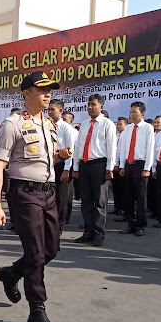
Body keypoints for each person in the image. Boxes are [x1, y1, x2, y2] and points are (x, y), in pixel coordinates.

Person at [0, 71, 72, 322]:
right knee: (36, 253)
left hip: (49, 192)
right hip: (25, 194)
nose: (48, 93)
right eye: (42, 89)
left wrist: (59, 156)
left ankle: (12, 273)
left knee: (51, 250)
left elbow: (46, 162)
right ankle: (37, 309)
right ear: (26, 93)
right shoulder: (12, 124)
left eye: (50, 89)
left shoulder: (49, 125)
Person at [72, 94, 116, 246]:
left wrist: (110, 168)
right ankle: (87, 232)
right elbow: (78, 147)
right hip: (85, 165)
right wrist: (76, 167)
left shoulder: (107, 124)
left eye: (93, 104)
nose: (90, 107)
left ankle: (98, 234)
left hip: (99, 165)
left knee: (99, 201)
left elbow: (111, 147)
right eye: (88, 104)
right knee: (86, 200)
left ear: (101, 106)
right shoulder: (84, 124)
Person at [118, 102, 155, 237]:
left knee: (140, 197)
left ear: (143, 113)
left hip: (141, 165)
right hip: (128, 165)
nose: (132, 115)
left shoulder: (148, 128)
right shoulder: (127, 129)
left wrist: (147, 168)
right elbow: (123, 149)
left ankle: (140, 225)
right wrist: (122, 166)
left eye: (135, 112)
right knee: (128, 196)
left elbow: (150, 149)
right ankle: (131, 223)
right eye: (131, 112)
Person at [48, 99, 78, 228]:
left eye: (52, 109)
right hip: (49, 162)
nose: (49, 112)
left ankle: (60, 221)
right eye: (48, 109)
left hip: (62, 164)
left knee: (61, 195)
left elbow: (69, 150)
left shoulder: (67, 128)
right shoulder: (47, 125)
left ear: (60, 111)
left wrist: (66, 169)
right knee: (49, 194)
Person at [111, 117, 128, 219]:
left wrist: (120, 164)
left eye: (120, 124)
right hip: (115, 165)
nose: (118, 126)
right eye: (117, 124)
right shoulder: (116, 136)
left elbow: (123, 152)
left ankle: (123, 208)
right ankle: (117, 206)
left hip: (122, 165)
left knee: (123, 189)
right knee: (115, 188)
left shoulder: (126, 136)